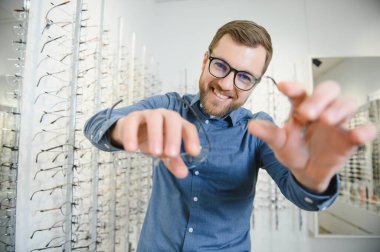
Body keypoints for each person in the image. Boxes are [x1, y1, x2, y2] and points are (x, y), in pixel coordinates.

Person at [84, 20, 377, 251]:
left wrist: (313, 179)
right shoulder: (170, 105)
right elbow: (96, 125)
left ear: (255, 84)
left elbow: (302, 195)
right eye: (221, 66)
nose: (226, 84)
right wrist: (123, 130)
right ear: (204, 60)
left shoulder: (260, 131)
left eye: (244, 76)